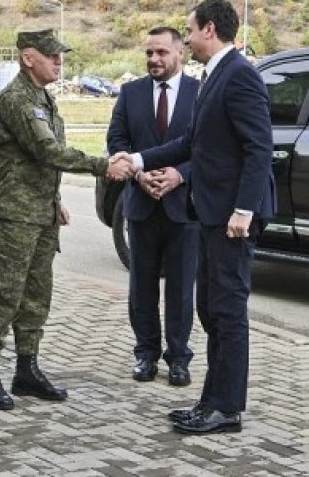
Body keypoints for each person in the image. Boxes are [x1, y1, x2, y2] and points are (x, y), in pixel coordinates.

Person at [113, 0, 275, 435]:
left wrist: (244, 208)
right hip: (211, 214)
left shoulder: (240, 75)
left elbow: (259, 147)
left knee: (226, 311)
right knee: (210, 309)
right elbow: (191, 143)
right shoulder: (214, 75)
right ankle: (212, 401)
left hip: (231, 218)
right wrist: (139, 158)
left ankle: (226, 408)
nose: (185, 37)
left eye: (188, 30)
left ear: (208, 29)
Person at [0, 29, 132, 411]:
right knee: (6, 292)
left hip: (41, 211)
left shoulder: (42, 97)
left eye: (60, 55)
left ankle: (26, 369)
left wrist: (56, 198)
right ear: (28, 58)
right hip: (15, 214)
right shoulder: (17, 99)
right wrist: (102, 165)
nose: (59, 61)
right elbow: (47, 150)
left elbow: (39, 162)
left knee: (37, 294)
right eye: (51, 55)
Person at [106, 27, 199, 387]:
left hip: (183, 206)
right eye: (149, 53)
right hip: (141, 205)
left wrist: (180, 174)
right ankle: (145, 354)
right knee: (141, 287)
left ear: (180, 54)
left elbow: (206, 149)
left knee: (180, 289)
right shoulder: (130, 93)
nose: (153, 60)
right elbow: (116, 140)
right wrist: (138, 174)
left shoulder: (199, 94)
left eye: (161, 52)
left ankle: (179, 358)